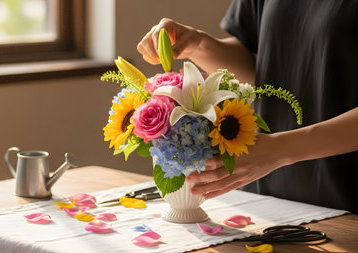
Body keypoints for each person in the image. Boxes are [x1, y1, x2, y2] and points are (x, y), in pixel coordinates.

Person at [137, 0, 358, 213]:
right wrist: (197, 44)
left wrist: (280, 149)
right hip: (268, 201)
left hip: (347, 203)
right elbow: (262, 70)